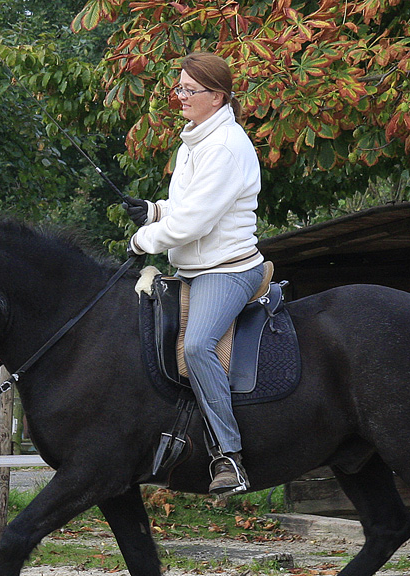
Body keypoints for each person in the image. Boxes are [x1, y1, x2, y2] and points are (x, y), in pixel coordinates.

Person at [123, 51, 264, 496]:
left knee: (199, 345)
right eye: (179, 87)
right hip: (192, 267)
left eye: (189, 89)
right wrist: (153, 209)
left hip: (226, 270)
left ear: (217, 96)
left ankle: (229, 456)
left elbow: (195, 223)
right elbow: (188, 208)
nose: (180, 96)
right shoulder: (196, 140)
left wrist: (142, 239)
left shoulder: (225, 146)